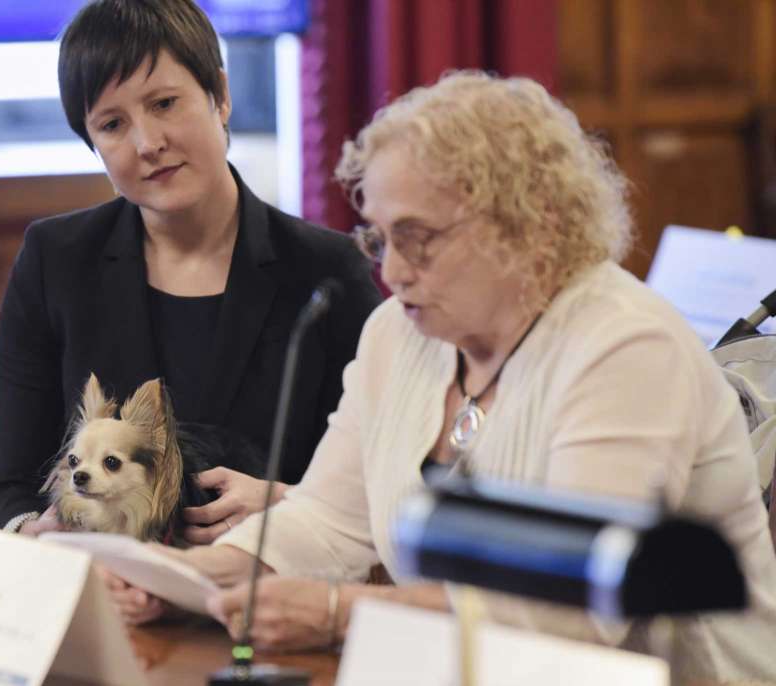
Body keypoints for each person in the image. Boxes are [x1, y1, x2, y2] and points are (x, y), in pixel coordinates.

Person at [112, 71, 776, 685]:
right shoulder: (398, 335)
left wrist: (341, 611)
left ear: (527, 225)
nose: (391, 272)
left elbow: (569, 615)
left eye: (418, 238)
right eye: (379, 239)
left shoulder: (625, 348)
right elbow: (328, 521)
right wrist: (186, 579)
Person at [0, 0, 382, 538]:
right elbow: (9, 487)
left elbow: (382, 481)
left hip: (270, 594)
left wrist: (288, 503)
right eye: (113, 124)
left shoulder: (327, 271)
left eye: (165, 103)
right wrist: (36, 531)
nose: (148, 144)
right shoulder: (55, 260)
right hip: (105, 591)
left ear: (220, 95)